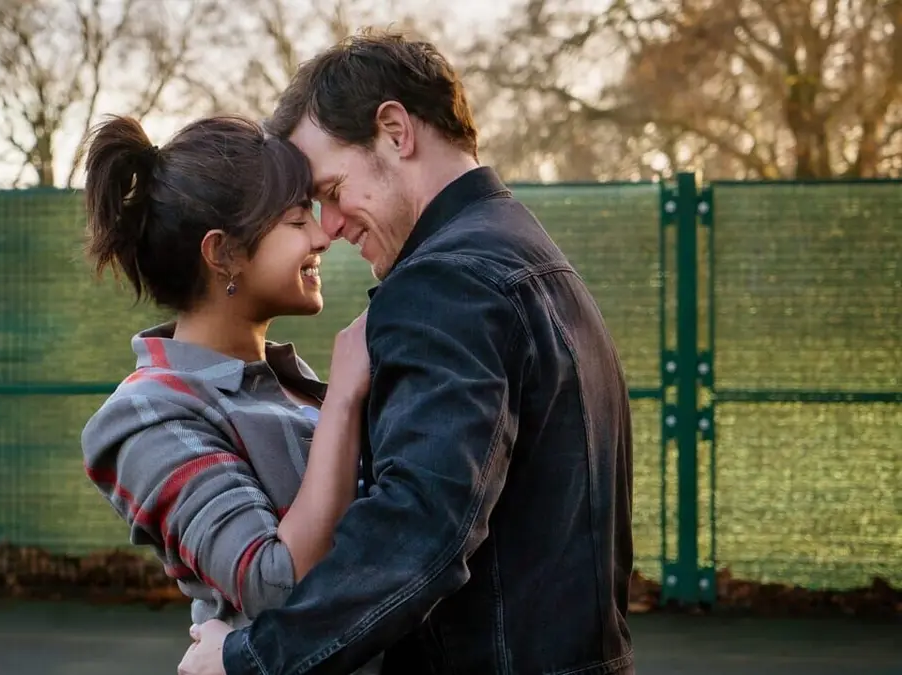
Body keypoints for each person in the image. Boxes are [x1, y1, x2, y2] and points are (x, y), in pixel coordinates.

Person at [178, 30, 635, 675]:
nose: (330, 226)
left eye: (332, 189)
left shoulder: (445, 282)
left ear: (395, 131)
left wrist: (250, 658)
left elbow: (420, 528)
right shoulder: (528, 256)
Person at [77, 114, 384, 674]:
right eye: (297, 221)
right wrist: (344, 398)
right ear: (222, 253)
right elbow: (276, 583)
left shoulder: (285, 380)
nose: (322, 236)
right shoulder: (150, 415)